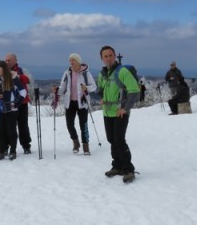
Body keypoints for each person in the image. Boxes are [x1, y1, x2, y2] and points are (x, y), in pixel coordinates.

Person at [97, 46, 140, 183]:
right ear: (102, 58)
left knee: (119, 140)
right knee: (111, 139)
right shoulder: (102, 74)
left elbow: (134, 91)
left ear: (115, 56)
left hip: (120, 111)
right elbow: (100, 90)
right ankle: (117, 166)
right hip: (107, 112)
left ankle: (128, 169)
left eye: (110, 55)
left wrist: (125, 109)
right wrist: (102, 97)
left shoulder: (122, 71)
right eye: (105, 56)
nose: (108, 58)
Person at [53, 53, 97, 155]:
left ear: (78, 61)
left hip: (82, 103)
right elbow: (63, 88)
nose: (71, 62)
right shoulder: (67, 73)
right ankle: (76, 143)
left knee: (83, 125)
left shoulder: (86, 73)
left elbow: (94, 86)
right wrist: (57, 90)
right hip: (70, 103)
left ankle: (86, 147)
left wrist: (86, 88)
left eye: (73, 60)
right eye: (70, 60)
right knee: (69, 125)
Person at [0, 60, 26, 161]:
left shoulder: (14, 79)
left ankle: (12, 151)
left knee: (11, 131)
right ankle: (1, 151)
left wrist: (17, 104)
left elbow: (23, 92)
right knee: (0, 130)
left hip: (11, 109)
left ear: (3, 69)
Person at [5, 53, 32, 154]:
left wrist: (18, 76)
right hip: (9, 102)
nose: (7, 62)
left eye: (9, 60)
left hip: (22, 102)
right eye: (6, 60)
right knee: (9, 125)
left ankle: (26, 145)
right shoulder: (3, 71)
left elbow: (27, 80)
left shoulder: (19, 70)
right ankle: (7, 145)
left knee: (23, 124)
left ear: (15, 61)